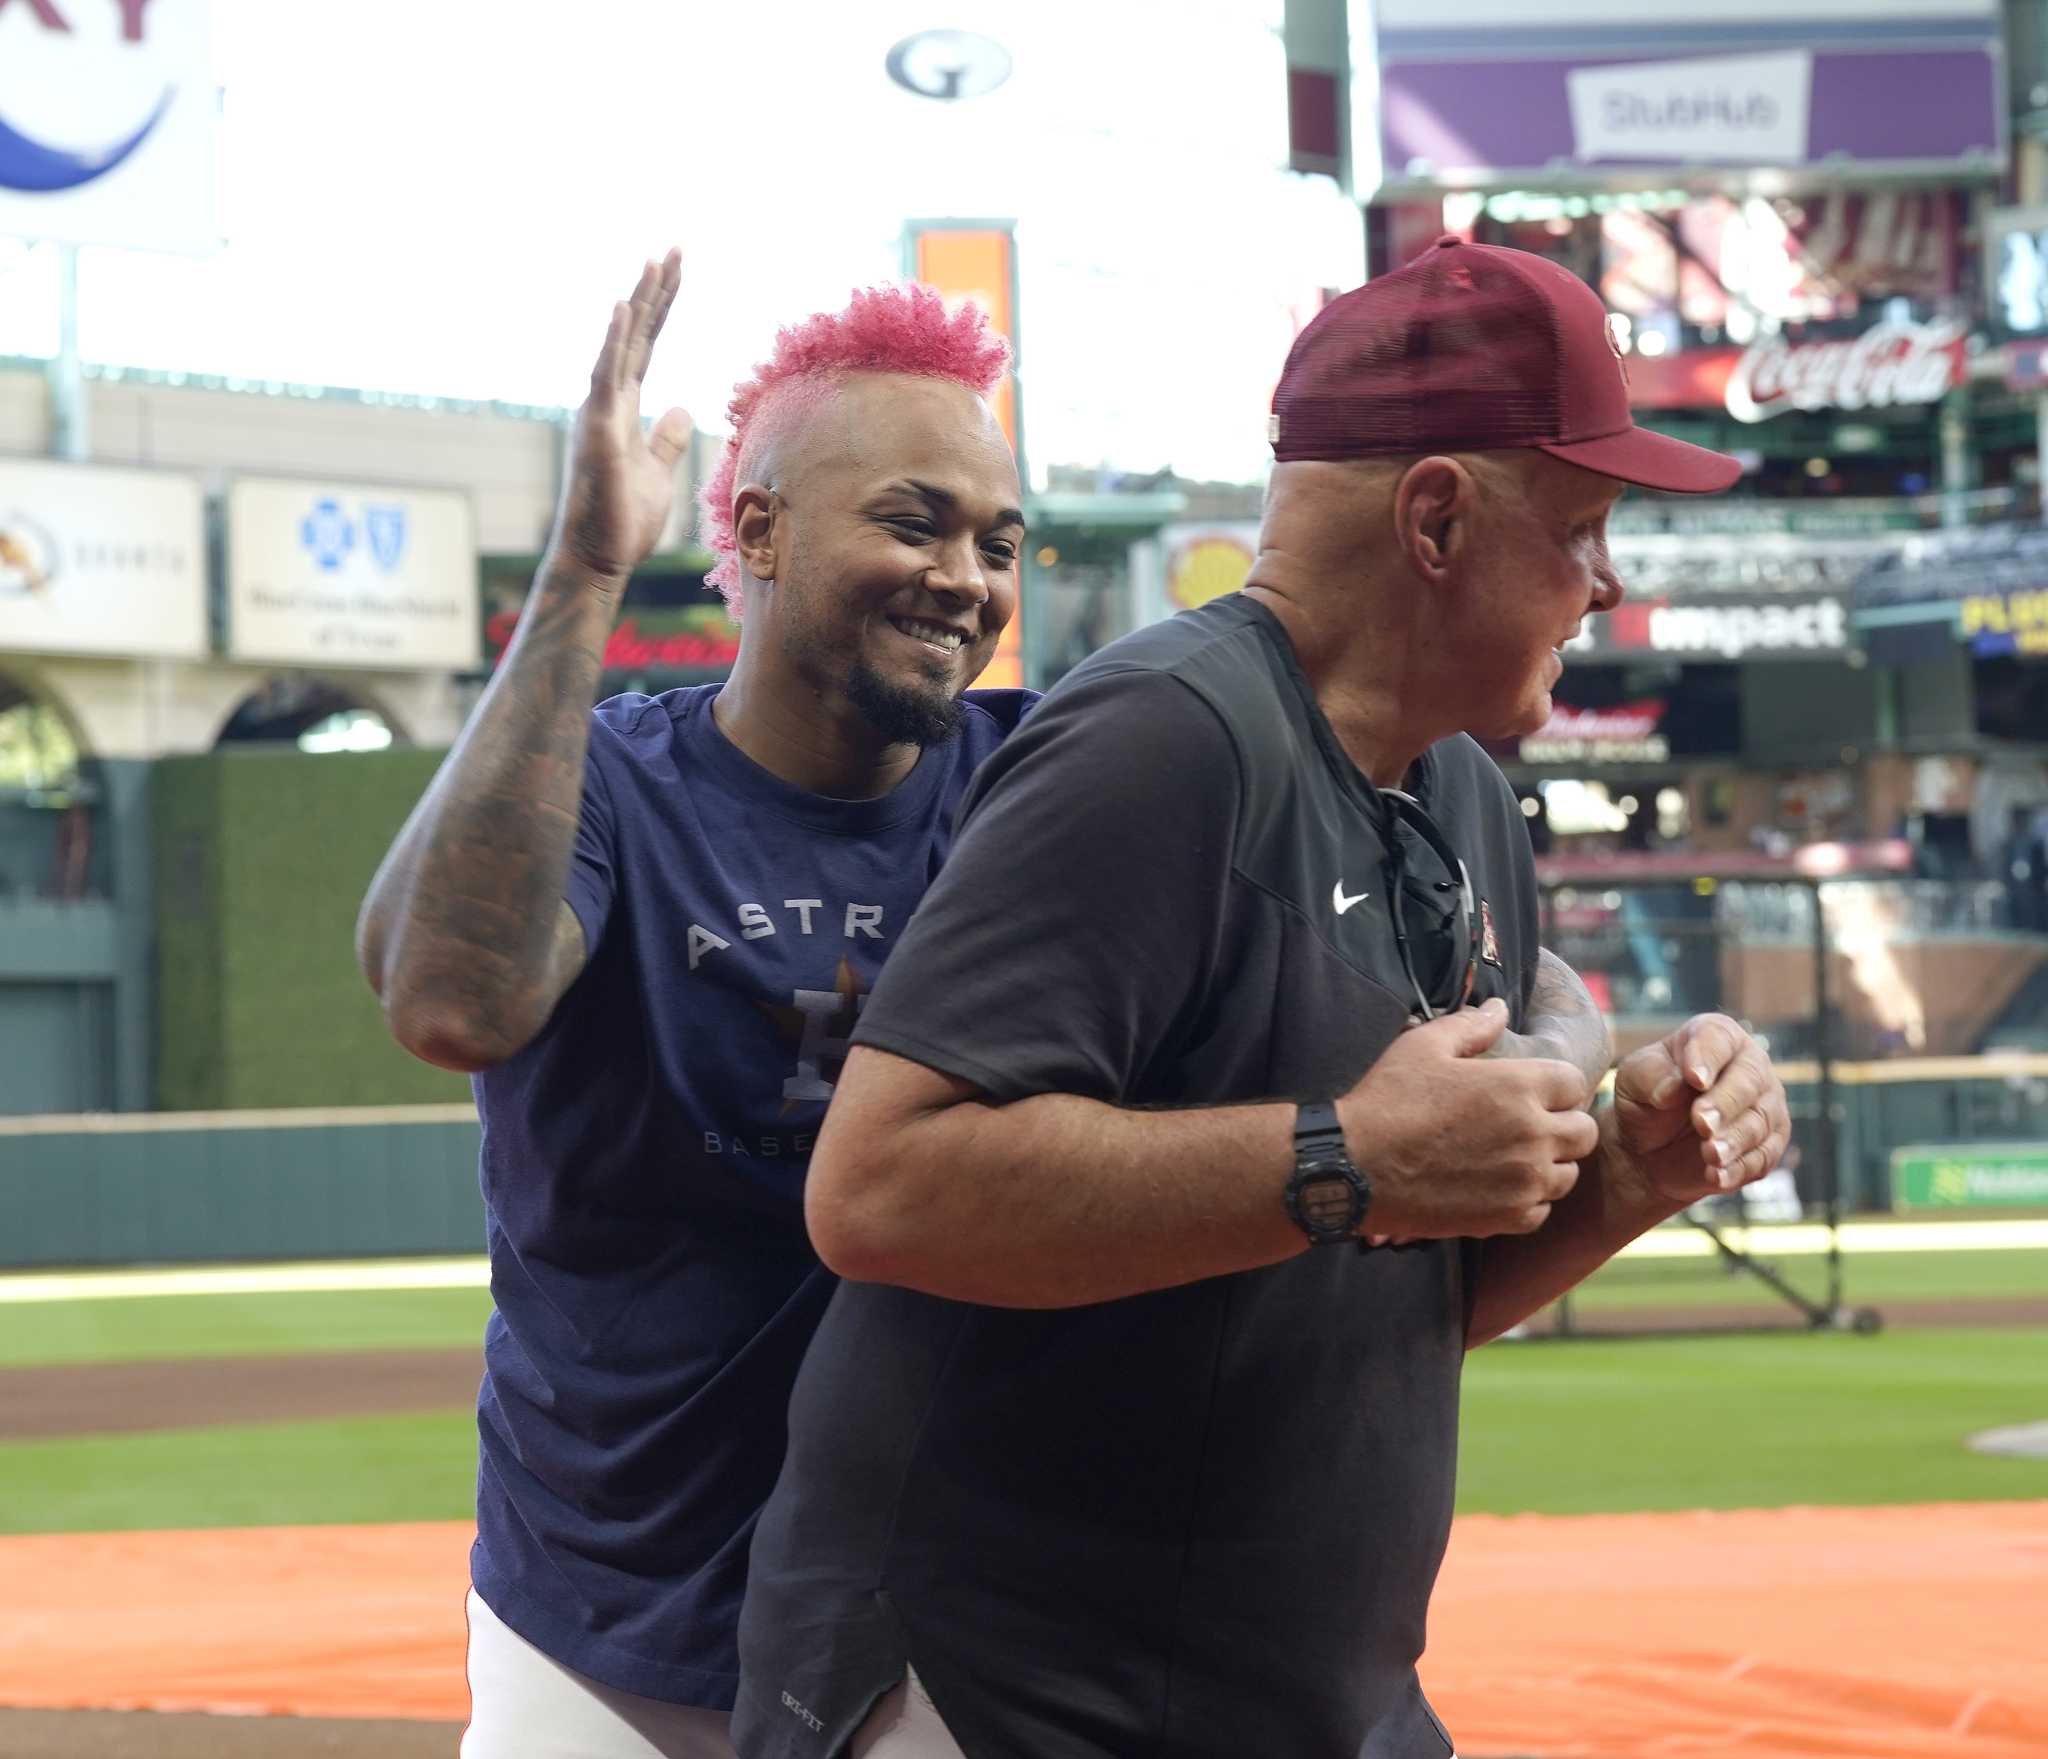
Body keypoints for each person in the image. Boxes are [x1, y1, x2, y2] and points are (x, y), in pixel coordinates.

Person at [735, 237, 1794, 1759]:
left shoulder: (1470, 799)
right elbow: (882, 1189)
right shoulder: (1163, 742)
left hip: (1292, 1698)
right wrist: (1348, 1155)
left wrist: (1629, 1172)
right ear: (1436, 516)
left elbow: (1380, 1292)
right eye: (1583, 524)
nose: (1608, 580)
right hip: (999, 1688)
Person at [354, 254, 1036, 1758]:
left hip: (931, 1611)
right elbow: (451, 1002)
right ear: (758, 528)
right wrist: (586, 572)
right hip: (601, 1602)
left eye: (1000, 540)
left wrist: (1566, 1037)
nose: (967, 578)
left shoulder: (1040, 780)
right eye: (912, 521)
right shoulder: (599, 779)